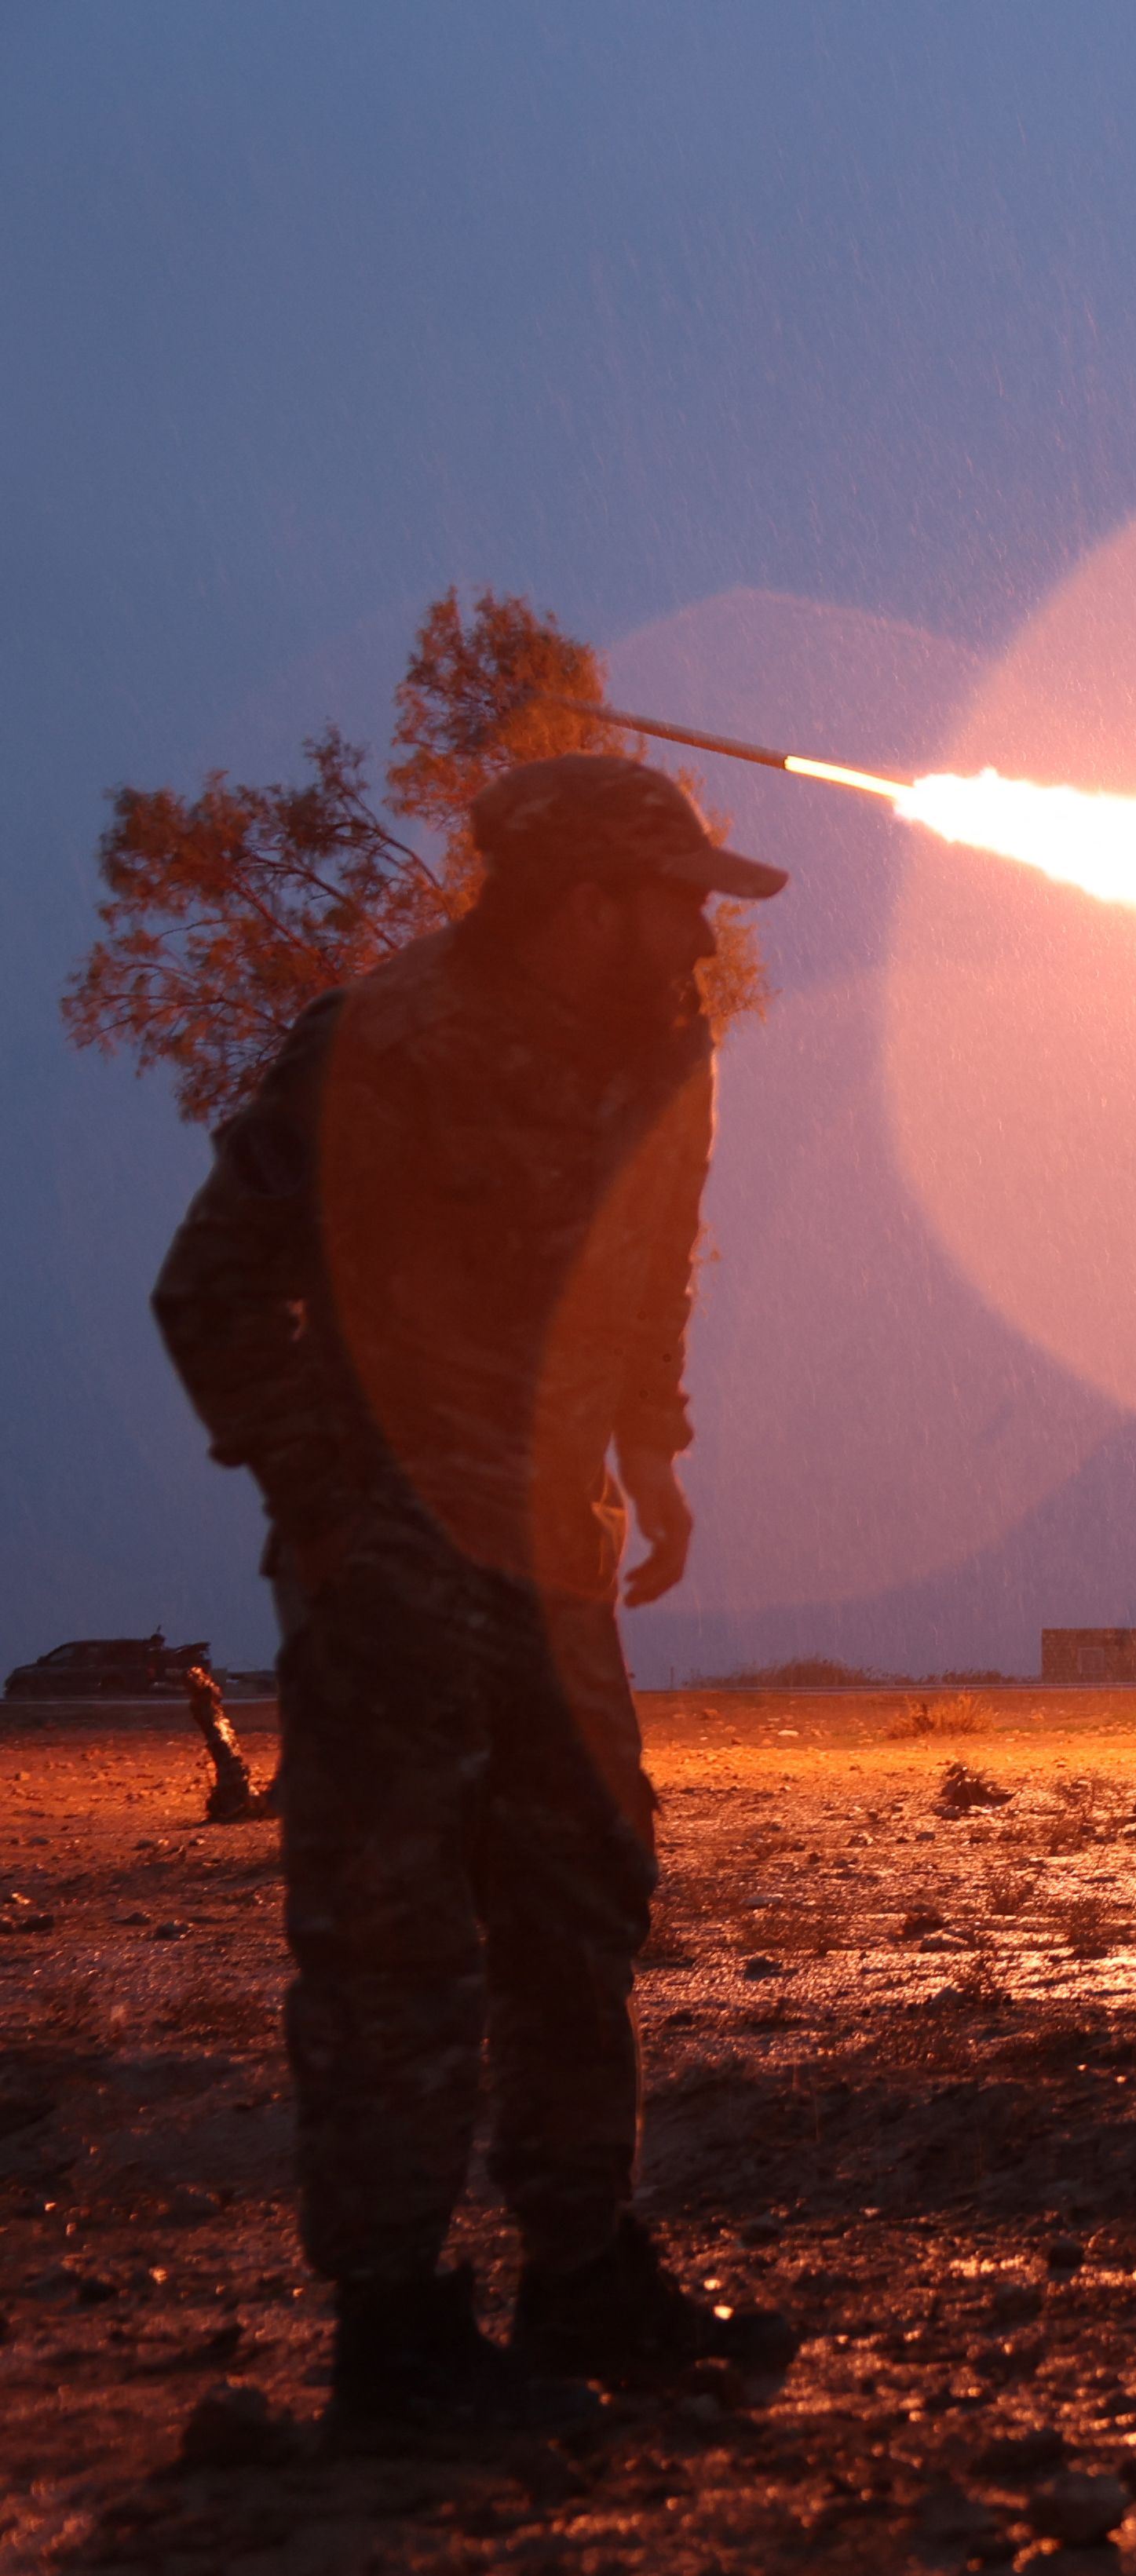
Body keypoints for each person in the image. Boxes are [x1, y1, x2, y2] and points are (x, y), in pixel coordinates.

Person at [152, 753, 793, 2446]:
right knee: (391, 1933)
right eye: (677, 906)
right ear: (586, 903)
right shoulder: (384, 1043)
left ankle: (581, 2269)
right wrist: (335, 1497)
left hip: (549, 1547)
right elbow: (209, 1291)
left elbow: (649, 1261)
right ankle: (396, 2330)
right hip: (391, 1561)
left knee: (581, 1897)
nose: (701, 944)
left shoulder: (668, 1047)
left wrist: (650, 1450)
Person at [181, 1656, 268, 1823]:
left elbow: (216, 1697)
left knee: (232, 1765)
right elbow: (215, 1696)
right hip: (220, 1737)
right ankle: (240, 1802)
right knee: (232, 1765)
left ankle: (240, 1800)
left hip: (221, 1736)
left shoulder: (201, 1701)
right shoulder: (203, 1700)